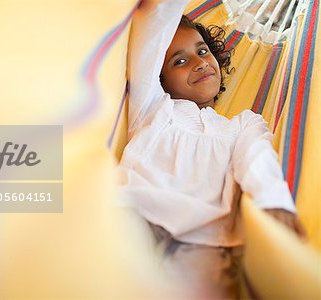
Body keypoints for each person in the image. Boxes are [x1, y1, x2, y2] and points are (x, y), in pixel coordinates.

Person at [117, 0, 307, 298]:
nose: (199, 62)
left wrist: (274, 201)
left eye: (202, 51)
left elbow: (257, 158)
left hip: (205, 240)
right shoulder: (154, 107)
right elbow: (154, 30)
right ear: (160, 78)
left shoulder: (243, 124)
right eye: (179, 61)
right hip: (136, 215)